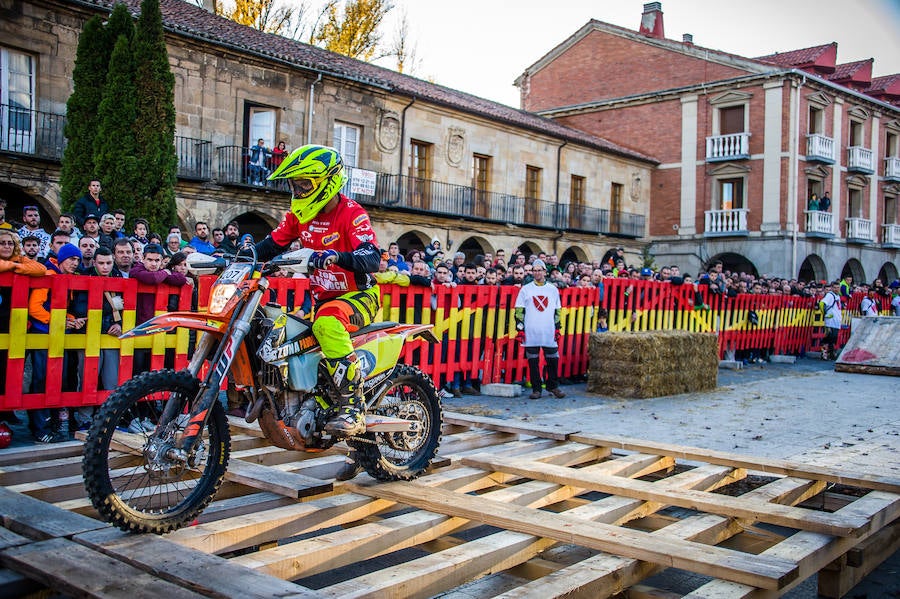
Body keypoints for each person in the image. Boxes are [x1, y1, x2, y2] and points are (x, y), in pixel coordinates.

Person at [251, 144, 380, 440]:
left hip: (358, 296)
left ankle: (353, 408)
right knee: (277, 328)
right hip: (322, 300)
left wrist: (337, 256)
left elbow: (372, 257)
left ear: (328, 181)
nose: (298, 190)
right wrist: (236, 257)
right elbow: (271, 245)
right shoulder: (299, 216)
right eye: (294, 184)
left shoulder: (351, 213)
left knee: (327, 324)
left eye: (305, 184)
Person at [0, 229, 46, 424]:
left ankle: (7, 412)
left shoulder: (20, 260)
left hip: (15, 323)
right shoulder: (14, 263)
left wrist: (15, 266)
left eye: (10, 243)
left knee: (11, 368)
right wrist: (10, 265)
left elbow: (39, 269)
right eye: (2, 243)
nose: (6, 246)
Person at [514, 259, 565, 400]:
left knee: (553, 359)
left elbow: (557, 310)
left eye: (539, 270)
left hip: (548, 329)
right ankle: (537, 389)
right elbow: (519, 310)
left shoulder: (552, 289)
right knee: (533, 362)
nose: (537, 272)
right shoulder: (526, 289)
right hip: (531, 330)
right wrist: (520, 329)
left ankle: (553, 386)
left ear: (544, 271)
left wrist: (557, 328)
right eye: (534, 270)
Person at [819, 280, 843, 360]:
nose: (836, 289)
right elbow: (822, 303)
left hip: (836, 320)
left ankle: (831, 353)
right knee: (828, 337)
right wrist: (825, 313)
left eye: (838, 287)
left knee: (834, 338)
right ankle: (824, 353)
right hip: (830, 320)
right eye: (835, 288)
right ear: (832, 288)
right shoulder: (830, 295)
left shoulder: (838, 296)